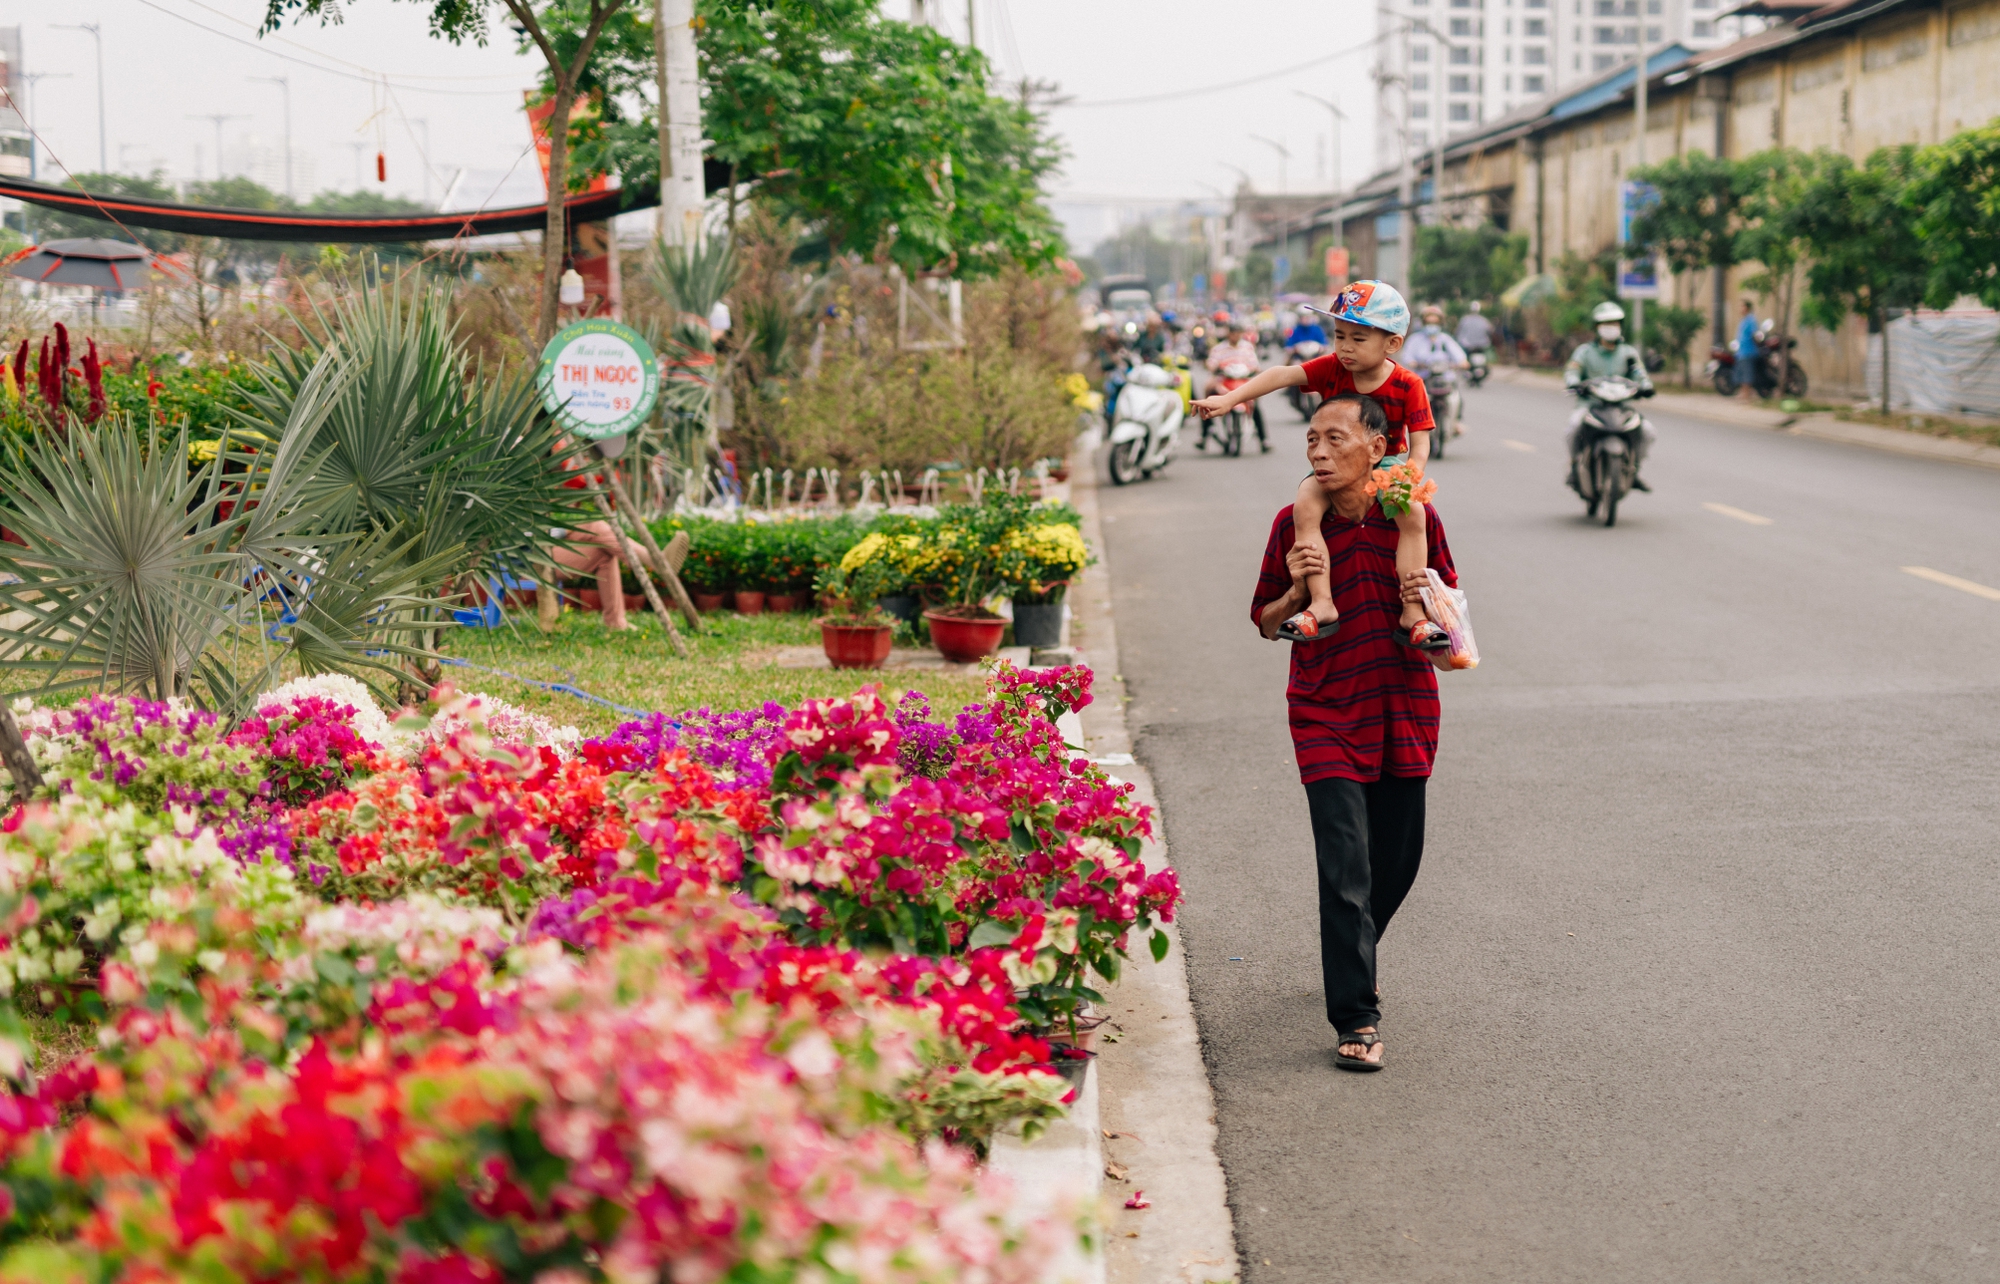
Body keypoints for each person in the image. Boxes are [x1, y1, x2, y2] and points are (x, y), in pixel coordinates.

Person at [1248, 391, 1459, 1071]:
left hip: (1404, 711)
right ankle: (1357, 1018)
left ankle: (1353, 946)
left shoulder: (1413, 519)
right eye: (1311, 439)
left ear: (1377, 445)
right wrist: (1292, 588)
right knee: (1345, 869)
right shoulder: (1293, 524)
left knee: (1395, 865)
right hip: (1325, 712)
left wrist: (1428, 606)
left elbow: (1449, 614)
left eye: (1335, 438)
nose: (1318, 450)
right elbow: (1262, 619)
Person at [1193, 280, 1445, 651]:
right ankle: (1322, 603)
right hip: (1338, 467)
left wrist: (1410, 474)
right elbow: (1282, 374)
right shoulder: (1331, 368)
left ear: (1392, 343)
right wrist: (1231, 398)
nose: (1344, 347)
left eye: (1358, 339)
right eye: (1339, 336)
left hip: (1388, 463)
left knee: (1414, 517)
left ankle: (1412, 611)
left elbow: (1420, 441)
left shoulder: (1408, 384)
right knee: (1306, 502)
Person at [1563, 300, 1657, 492]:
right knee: (1573, 427)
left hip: (1621, 408)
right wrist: (1574, 383)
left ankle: (1634, 469)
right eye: (1606, 324)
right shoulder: (1585, 352)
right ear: (1597, 327)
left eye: (1614, 323)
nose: (1610, 328)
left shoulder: (1628, 353)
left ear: (1621, 326)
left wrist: (1646, 386)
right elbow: (1572, 371)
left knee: (1647, 431)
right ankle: (1575, 466)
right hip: (1590, 406)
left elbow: (1639, 373)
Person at [1202, 325, 1269, 452]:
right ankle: (1204, 436)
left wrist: (1253, 370)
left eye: (1238, 333)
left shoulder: (1247, 347)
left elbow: (1255, 365)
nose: (1235, 336)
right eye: (1233, 333)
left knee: (1255, 403)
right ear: (1229, 334)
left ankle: (1263, 439)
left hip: (1243, 380)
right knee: (1207, 395)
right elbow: (1211, 364)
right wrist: (1215, 368)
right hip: (1223, 380)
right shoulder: (1219, 348)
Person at [1734, 298, 1761, 401]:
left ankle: (1747, 395)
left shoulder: (1751, 320)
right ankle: (1742, 393)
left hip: (1748, 351)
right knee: (1741, 373)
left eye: (1742, 306)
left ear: (1748, 308)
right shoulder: (1743, 320)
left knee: (1747, 374)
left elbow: (1754, 334)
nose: (1740, 308)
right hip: (1741, 351)